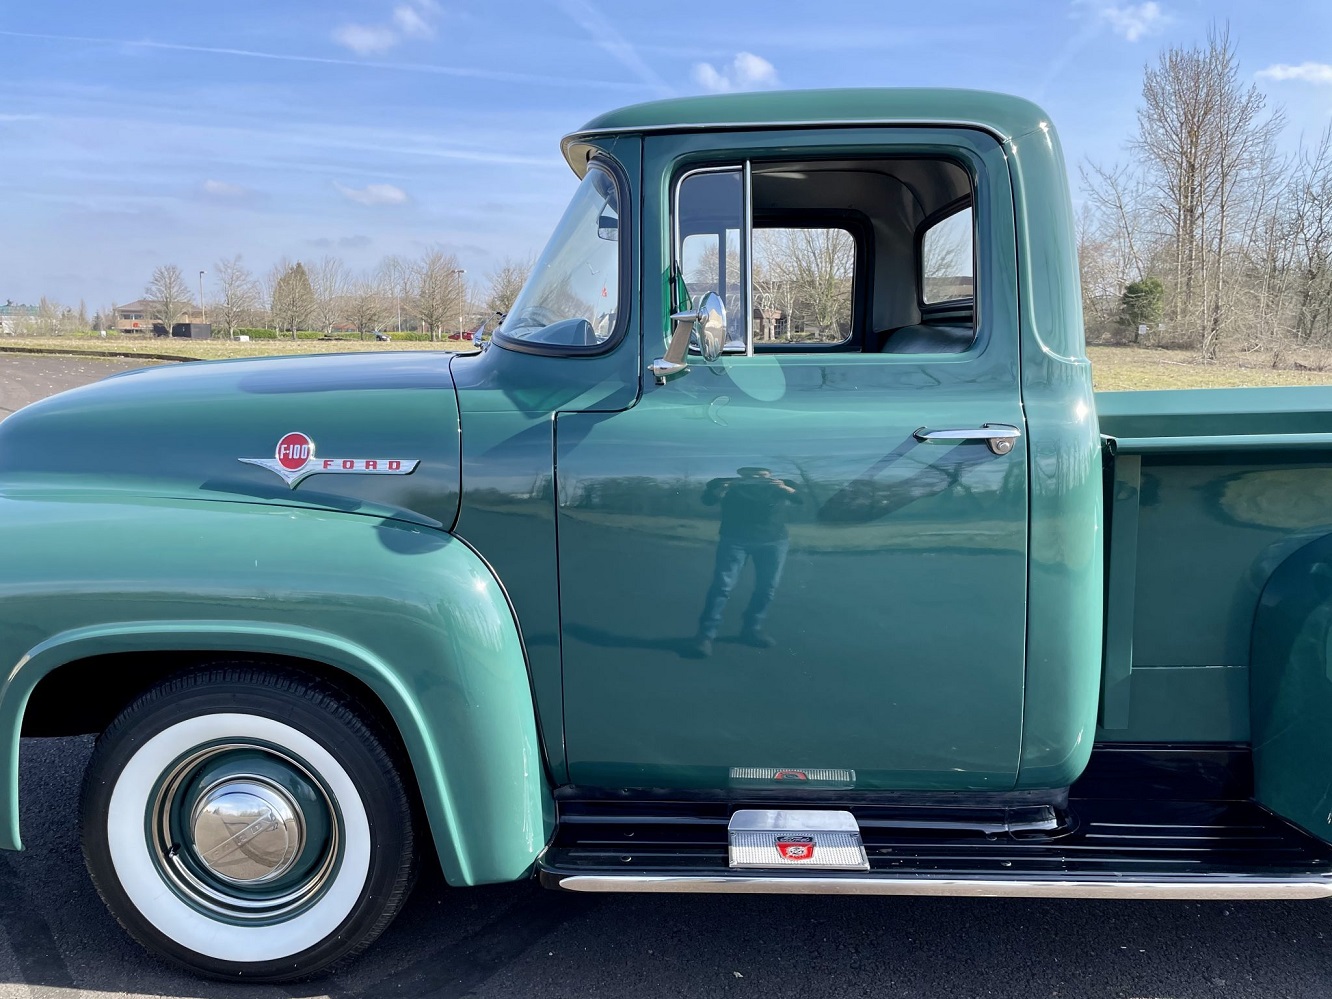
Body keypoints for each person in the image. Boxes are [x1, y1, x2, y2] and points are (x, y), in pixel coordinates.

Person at [692, 467, 800, 657]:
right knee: (722, 586)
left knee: (767, 587)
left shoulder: (783, 484)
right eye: (751, 474)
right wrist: (721, 491)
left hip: (773, 541)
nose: (756, 477)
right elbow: (707, 501)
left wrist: (785, 489)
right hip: (735, 540)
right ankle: (705, 635)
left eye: (761, 474)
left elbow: (800, 500)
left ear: (769, 474)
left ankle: (752, 629)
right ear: (741, 474)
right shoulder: (723, 483)